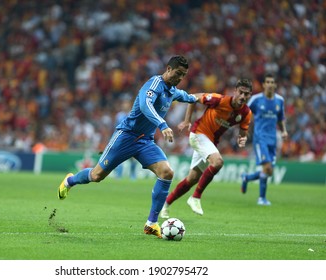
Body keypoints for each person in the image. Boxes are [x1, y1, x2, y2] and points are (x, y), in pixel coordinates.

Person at [57, 55, 198, 238]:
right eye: (178, 73)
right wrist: (162, 124)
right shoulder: (154, 83)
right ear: (168, 69)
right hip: (126, 136)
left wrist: (214, 99)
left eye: (183, 75)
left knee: (167, 172)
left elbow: (191, 97)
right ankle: (70, 181)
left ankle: (151, 223)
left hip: (145, 141)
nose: (180, 78)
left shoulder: (173, 91)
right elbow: (145, 104)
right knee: (97, 175)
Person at [160, 78, 253, 218]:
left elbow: (243, 131)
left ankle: (165, 205)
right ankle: (195, 197)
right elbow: (193, 98)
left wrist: (242, 138)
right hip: (198, 134)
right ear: (235, 91)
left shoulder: (245, 113)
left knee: (191, 179)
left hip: (210, 142)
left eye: (247, 94)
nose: (243, 97)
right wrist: (187, 121)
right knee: (218, 162)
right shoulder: (219, 100)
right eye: (241, 92)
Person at [240, 74, 288, 205]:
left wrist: (283, 130)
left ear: (275, 85)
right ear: (264, 85)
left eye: (272, 82)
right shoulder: (256, 99)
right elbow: (245, 112)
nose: (270, 84)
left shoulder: (280, 100)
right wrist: (243, 129)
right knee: (267, 168)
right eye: (268, 82)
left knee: (269, 171)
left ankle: (246, 177)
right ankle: (261, 198)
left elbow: (281, 117)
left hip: (273, 140)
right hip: (260, 138)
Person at [113, 98, 137, 180]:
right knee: (118, 157)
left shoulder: (133, 114)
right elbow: (116, 127)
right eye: (123, 104)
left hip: (131, 139)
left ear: (130, 106)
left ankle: (133, 175)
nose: (124, 106)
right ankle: (118, 175)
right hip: (121, 139)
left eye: (126, 104)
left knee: (133, 158)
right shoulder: (119, 115)